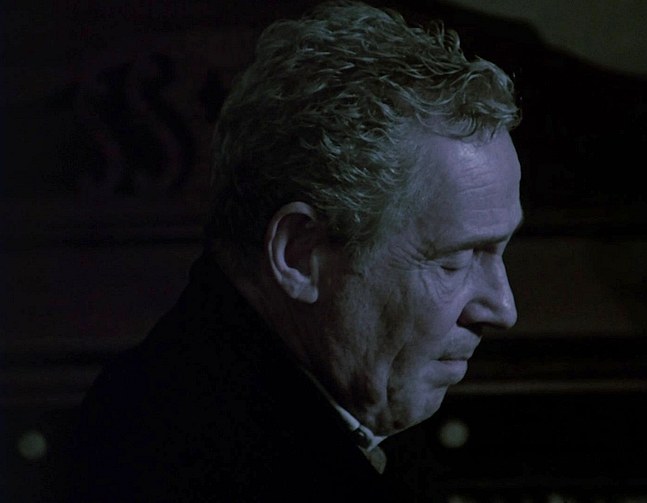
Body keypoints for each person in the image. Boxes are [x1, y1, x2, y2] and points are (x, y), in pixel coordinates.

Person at [72, 1, 522, 501]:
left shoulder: (337, 396)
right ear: (298, 255)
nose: (503, 309)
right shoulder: (166, 459)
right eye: (455, 260)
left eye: (500, 251)